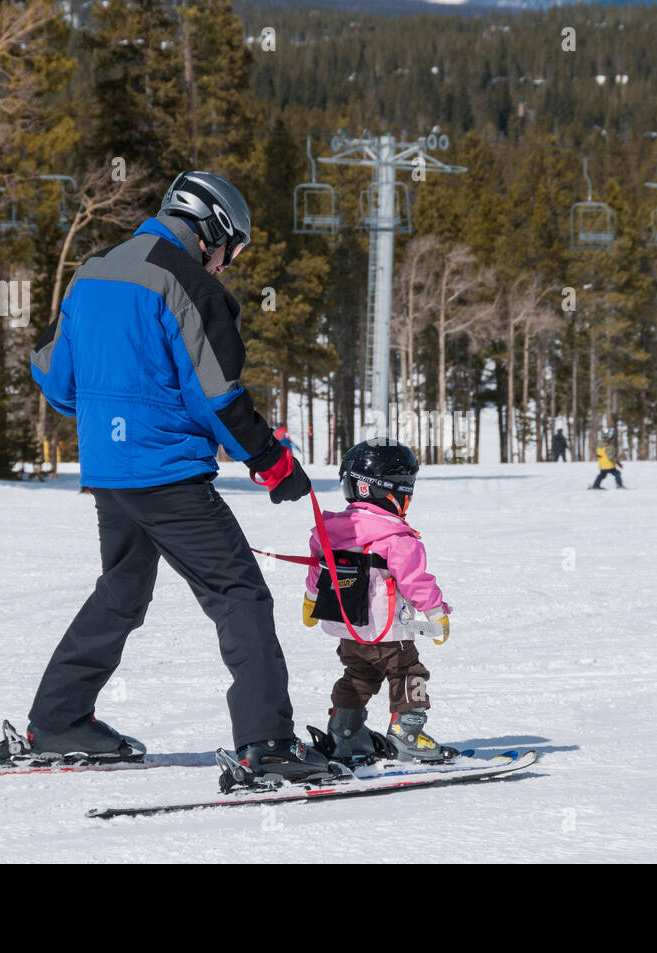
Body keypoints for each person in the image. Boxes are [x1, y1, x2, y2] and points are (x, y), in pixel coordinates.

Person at [23, 170, 328, 780]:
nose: (226, 264)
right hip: (165, 476)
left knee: (123, 591)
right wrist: (273, 462)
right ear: (212, 227)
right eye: (231, 249)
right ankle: (267, 745)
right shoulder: (187, 284)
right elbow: (217, 396)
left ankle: (58, 720)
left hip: (110, 474)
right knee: (238, 592)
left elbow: (54, 377)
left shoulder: (92, 271)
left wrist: (114, 407)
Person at [305, 439, 456, 763]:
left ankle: (344, 732)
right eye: (406, 489)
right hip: (389, 632)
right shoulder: (397, 538)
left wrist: (311, 600)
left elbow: (317, 572)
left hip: (347, 628)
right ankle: (407, 734)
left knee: (358, 675)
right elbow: (415, 582)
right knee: (410, 674)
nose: (408, 497)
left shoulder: (327, 531)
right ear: (383, 490)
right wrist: (435, 614)